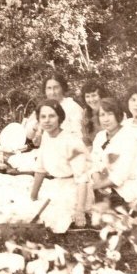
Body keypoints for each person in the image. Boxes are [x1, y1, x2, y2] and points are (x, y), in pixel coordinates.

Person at [29, 100, 89, 233]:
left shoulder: (71, 141)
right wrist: (33, 197)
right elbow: (40, 169)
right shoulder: (46, 136)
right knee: (29, 208)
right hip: (57, 184)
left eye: (52, 116)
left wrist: (80, 211)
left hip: (74, 188)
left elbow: (82, 179)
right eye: (43, 117)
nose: (47, 121)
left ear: (60, 118)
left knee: (52, 219)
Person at [88, 97, 137, 208]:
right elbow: (93, 163)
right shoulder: (100, 137)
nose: (106, 119)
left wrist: (95, 187)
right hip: (103, 186)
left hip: (126, 188)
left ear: (118, 115)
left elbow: (120, 176)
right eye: (102, 115)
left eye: (110, 114)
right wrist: (97, 183)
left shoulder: (129, 138)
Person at [24, 74, 84, 146]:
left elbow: (79, 136)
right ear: (45, 90)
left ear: (62, 88)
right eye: (49, 88)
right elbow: (28, 136)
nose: (52, 92)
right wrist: (37, 128)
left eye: (56, 88)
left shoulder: (72, 107)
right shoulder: (43, 107)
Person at [80, 79, 111, 147]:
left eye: (94, 95)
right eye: (87, 96)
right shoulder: (85, 114)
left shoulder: (111, 110)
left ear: (101, 96)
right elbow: (87, 142)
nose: (91, 100)